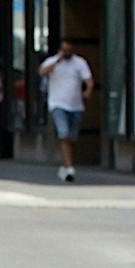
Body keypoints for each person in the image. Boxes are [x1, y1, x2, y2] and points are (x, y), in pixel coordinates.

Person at [39, 39, 94, 182]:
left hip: (75, 105)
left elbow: (88, 79)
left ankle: (66, 164)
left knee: (72, 137)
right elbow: (42, 72)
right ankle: (70, 168)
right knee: (64, 134)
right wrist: (57, 61)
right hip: (57, 104)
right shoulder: (53, 62)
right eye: (64, 50)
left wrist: (88, 90)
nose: (66, 53)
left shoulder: (79, 63)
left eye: (69, 50)